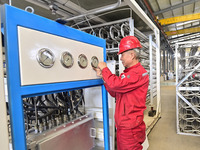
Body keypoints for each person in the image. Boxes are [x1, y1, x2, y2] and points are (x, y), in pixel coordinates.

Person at [94, 36, 149, 150]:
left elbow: (116, 85)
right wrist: (105, 78)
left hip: (130, 127)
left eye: (122, 54)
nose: (121, 58)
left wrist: (105, 69)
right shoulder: (129, 73)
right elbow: (115, 92)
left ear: (132, 55)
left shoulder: (137, 73)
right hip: (125, 125)